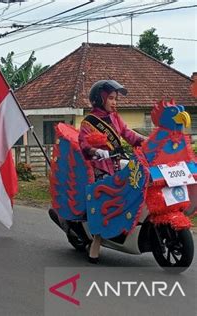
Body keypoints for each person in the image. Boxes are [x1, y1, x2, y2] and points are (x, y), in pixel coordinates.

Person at [78, 79, 145, 263]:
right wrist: (96, 151)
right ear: (100, 99)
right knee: (105, 202)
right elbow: (83, 145)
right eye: (111, 98)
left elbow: (129, 135)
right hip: (100, 168)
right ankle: (96, 242)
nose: (114, 102)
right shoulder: (88, 122)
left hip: (118, 163)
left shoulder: (116, 118)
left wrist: (149, 141)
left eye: (116, 99)